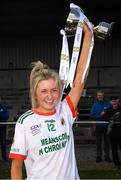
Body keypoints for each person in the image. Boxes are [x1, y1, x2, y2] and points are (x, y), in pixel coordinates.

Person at [9, 22, 93, 179]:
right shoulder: (25, 121)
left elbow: (80, 78)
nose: (50, 95)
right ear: (35, 94)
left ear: (60, 91)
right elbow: (16, 165)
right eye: (44, 91)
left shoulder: (65, 110)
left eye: (54, 90)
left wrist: (88, 37)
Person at [90, 90, 111, 163]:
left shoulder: (108, 104)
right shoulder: (95, 104)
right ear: (97, 96)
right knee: (98, 143)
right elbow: (92, 115)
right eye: (99, 95)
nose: (100, 96)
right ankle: (99, 156)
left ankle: (107, 156)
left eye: (101, 95)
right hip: (98, 126)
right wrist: (100, 115)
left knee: (106, 143)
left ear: (103, 95)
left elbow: (110, 113)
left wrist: (105, 115)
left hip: (106, 126)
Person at [103, 96, 121, 169]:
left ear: (118, 101)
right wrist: (112, 119)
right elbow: (104, 117)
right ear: (110, 102)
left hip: (120, 131)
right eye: (112, 101)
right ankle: (116, 164)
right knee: (114, 149)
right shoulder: (108, 109)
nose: (114, 102)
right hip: (112, 132)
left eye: (115, 100)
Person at [0, 96, 9, 161]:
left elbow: (6, 116)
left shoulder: (3, 107)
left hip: (2, 128)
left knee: (3, 143)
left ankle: (4, 157)